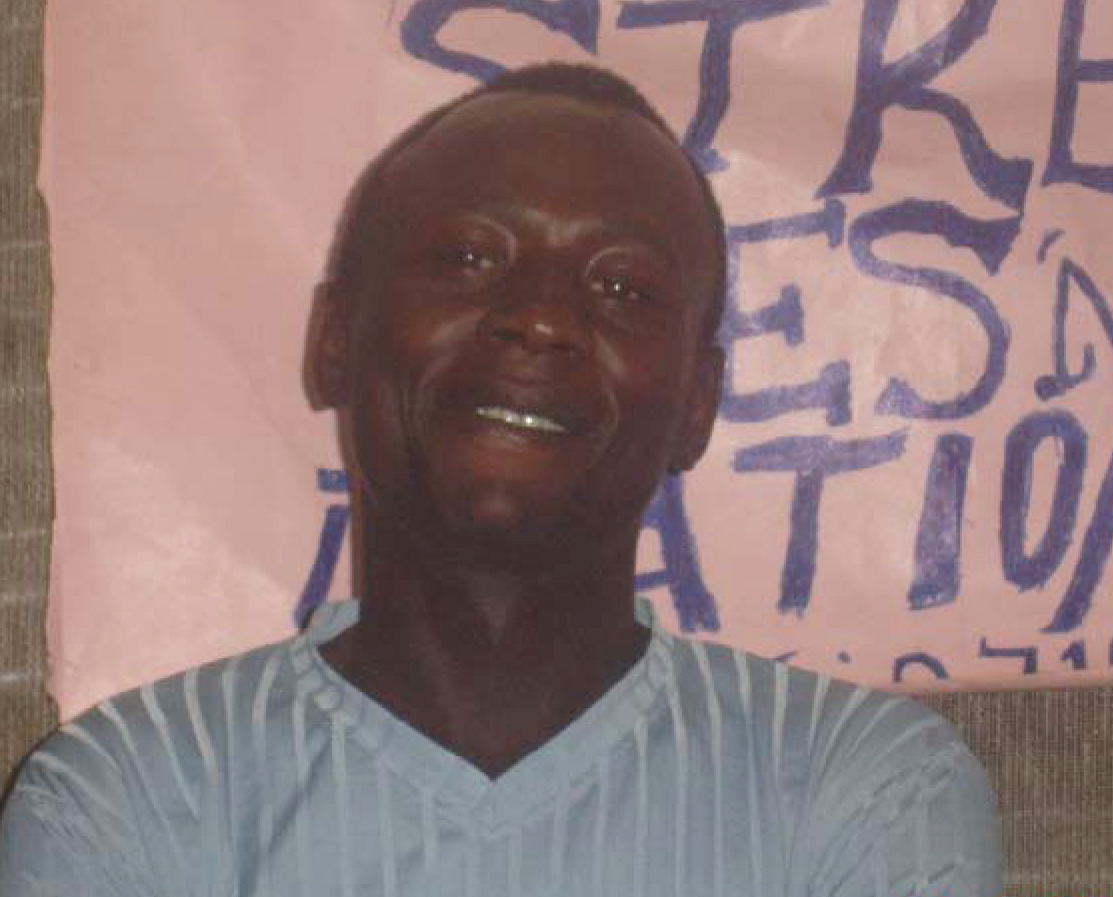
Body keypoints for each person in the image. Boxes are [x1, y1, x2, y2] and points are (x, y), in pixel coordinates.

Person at [0, 63, 1002, 896]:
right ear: (334, 338)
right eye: (469, 256)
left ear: (698, 402)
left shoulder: (863, 790)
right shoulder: (127, 800)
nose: (541, 318)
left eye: (621, 285)